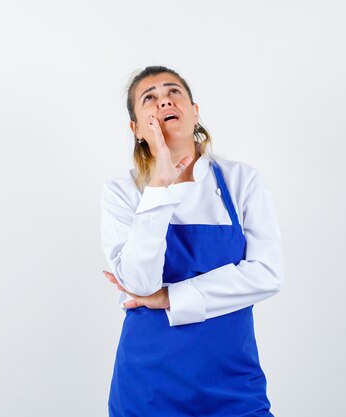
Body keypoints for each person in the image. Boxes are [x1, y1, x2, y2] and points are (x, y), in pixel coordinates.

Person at [100, 65, 284, 417]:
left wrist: (170, 297)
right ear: (136, 129)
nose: (163, 101)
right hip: (148, 385)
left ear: (194, 111)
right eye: (149, 98)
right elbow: (139, 282)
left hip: (233, 384)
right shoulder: (122, 193)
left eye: (174, 92)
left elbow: (268, 274)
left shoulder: (241, 181)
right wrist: (159, 186)